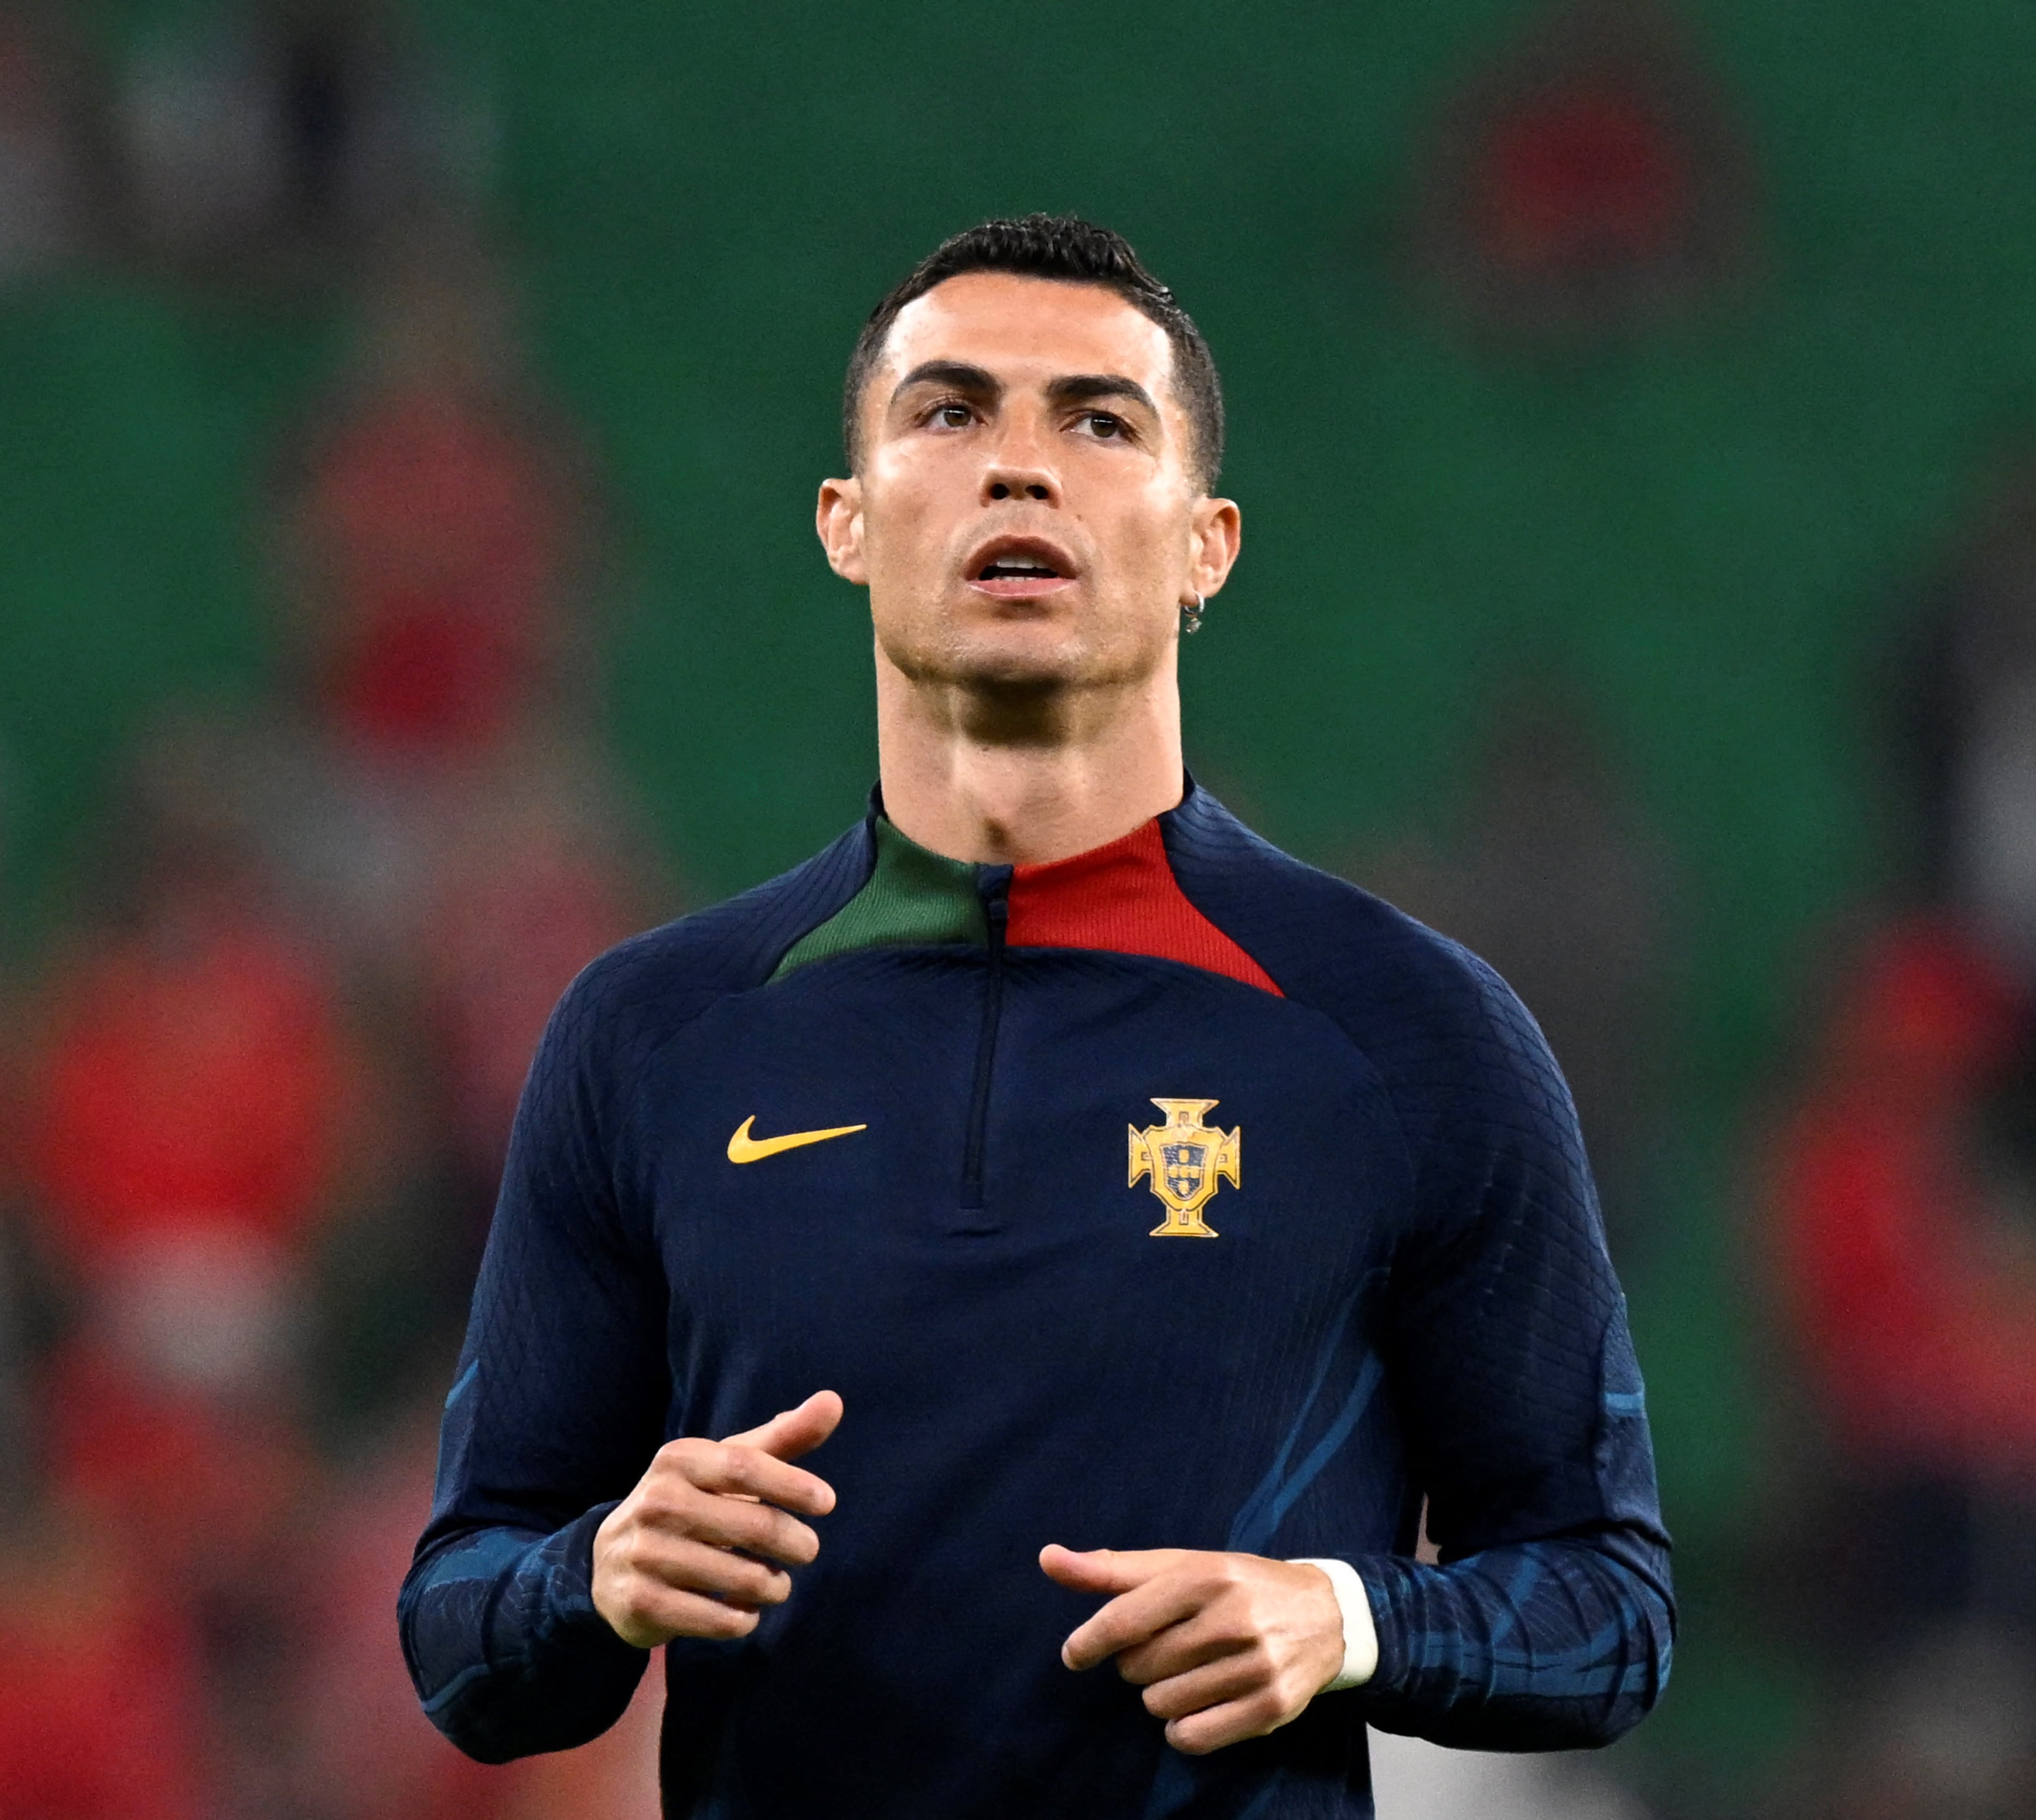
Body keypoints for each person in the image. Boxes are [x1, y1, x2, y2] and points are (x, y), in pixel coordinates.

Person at [400, 216, 1672, 1816]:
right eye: (949, 412)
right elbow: (461, 1635)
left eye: (1097, 420)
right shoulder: (654, 1038)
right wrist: (595, 1575)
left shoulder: (1412, 1034)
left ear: (1206, 543)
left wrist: (1349, 1618)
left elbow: (1611, 1612)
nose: (1019, 468)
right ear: (845, 522)